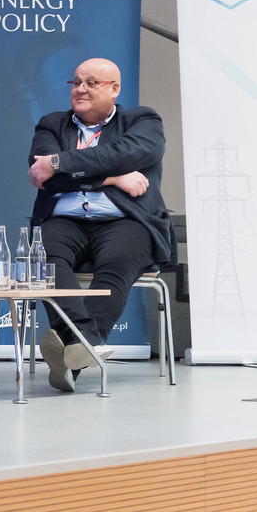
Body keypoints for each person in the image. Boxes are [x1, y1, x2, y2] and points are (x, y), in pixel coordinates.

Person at [27, 57, 175, 392]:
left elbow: (126, 153)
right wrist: (112, 178)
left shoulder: (142, 121)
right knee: (44, 256)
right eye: (76, 82)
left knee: (117, 263)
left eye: (91, 83)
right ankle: (87, 340)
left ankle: (73, 353)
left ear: (114, 89)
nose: (80, 89)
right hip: (64, 219)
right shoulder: (51, 124)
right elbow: (45, 178)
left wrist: (60, 161)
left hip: (127, 219)